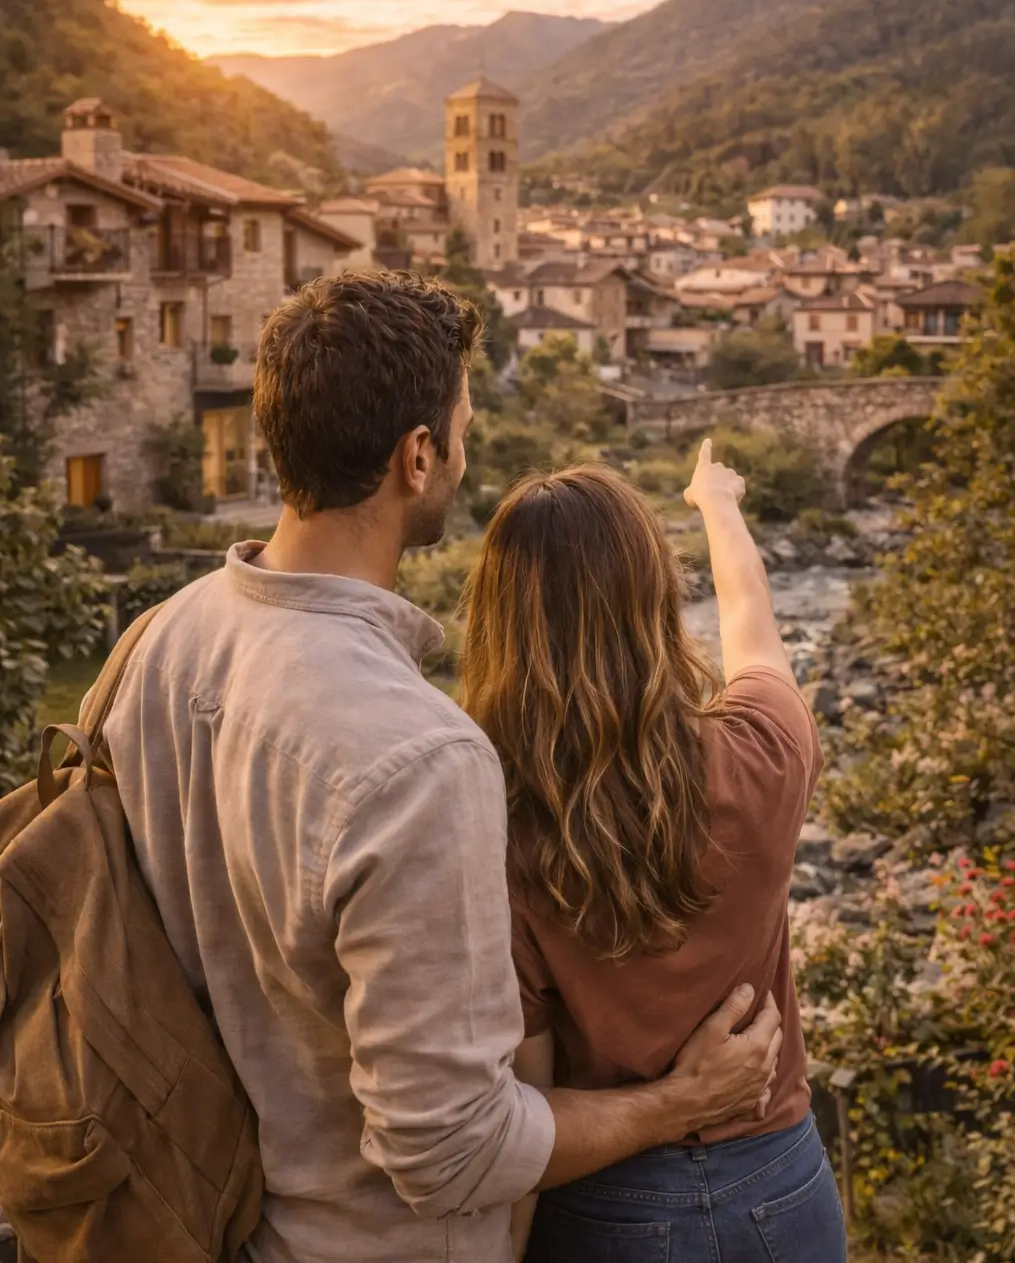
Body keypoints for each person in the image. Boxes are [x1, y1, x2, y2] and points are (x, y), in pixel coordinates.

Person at [103, 273, 782, 1263]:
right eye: (460, 426)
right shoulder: (421, 760)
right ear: (418, 456)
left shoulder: (157, 645)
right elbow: (450, 1152)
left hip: (201, 1212)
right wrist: (676, 1102)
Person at [461, 453, 848, 1262]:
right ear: (656, 602)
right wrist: (717, 505)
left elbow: (530, 1102)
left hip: (607, 1207)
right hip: (783, 1188)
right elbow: (751, 622)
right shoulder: (763, 755)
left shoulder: (498, 833)